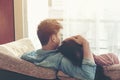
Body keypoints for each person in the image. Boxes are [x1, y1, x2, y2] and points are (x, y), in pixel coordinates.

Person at [21, 19, 96, 80]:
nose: (61, 38)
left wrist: (65, 41)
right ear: (53, 38)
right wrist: (86, 43)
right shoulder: (60, 60)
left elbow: (24, 56)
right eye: (60, 35)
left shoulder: (33, 56)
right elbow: (88, 76)